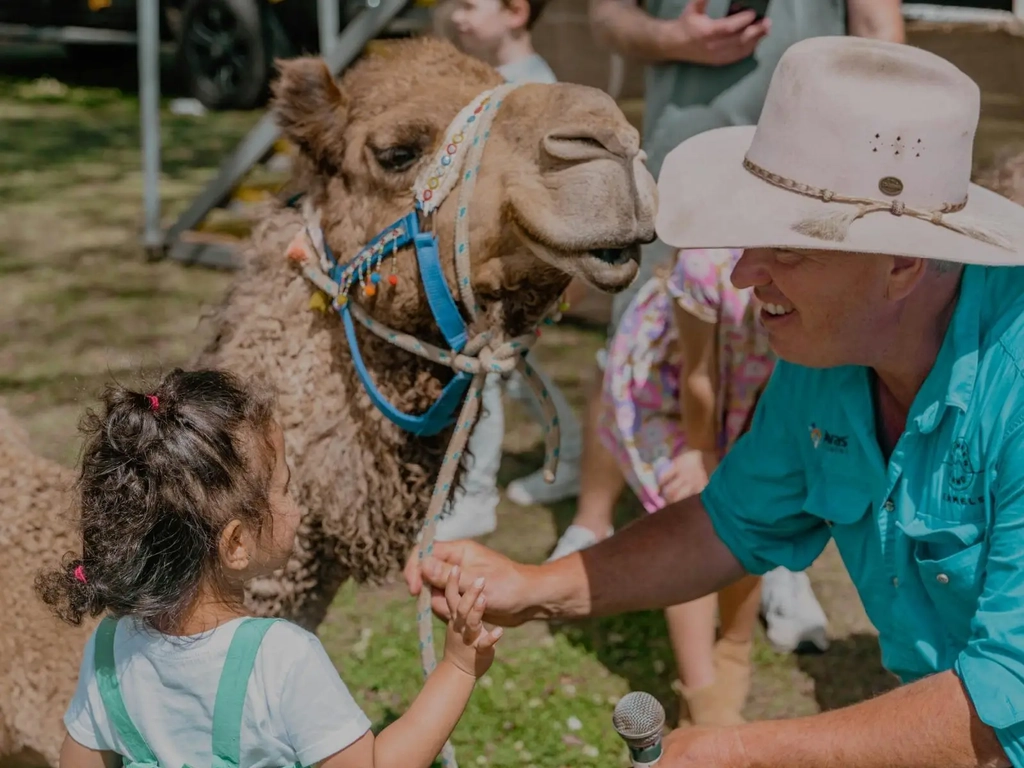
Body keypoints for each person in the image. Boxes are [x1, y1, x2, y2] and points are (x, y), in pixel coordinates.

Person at [407, 36, 1024, 768]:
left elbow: (1001, 705)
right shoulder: (830, 355)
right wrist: (534, 588)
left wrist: (736, 752)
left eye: (785, 248)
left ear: (901, 264)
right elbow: (728, 526)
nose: (741, 276)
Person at [551, 0, 904, 651]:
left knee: (797, 368)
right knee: (637, 346)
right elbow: (606, 17)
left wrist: (887, 177)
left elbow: (882, 32)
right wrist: (670, 37)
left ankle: (779, 549)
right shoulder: (712, 262)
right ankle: (595, 525)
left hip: (812, 182)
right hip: (685, 170)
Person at [39, 368, 502, 768]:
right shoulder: (279, 657)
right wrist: (457, 668)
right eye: (284, 489)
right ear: (236, 543)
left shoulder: (109, 650)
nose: (297, 510)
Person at [594, 244, 827, 725]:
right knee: (692, 513)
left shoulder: (823, 267)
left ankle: (735, 649)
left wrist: (744, 452)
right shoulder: (704, 267)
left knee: (751, 505)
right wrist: (702, 452)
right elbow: (700, 376)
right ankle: (703, 697)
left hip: (751, 385)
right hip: (672, 389)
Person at [435, 0, 585, 541]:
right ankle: (570, 458)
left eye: (471, 5)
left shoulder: (531, 93)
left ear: (516, 11)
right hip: (485, 255)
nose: (457, 17)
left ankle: (474, 497)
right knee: (513, 370)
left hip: (514, 263)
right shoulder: (495, 82)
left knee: (485, 370)